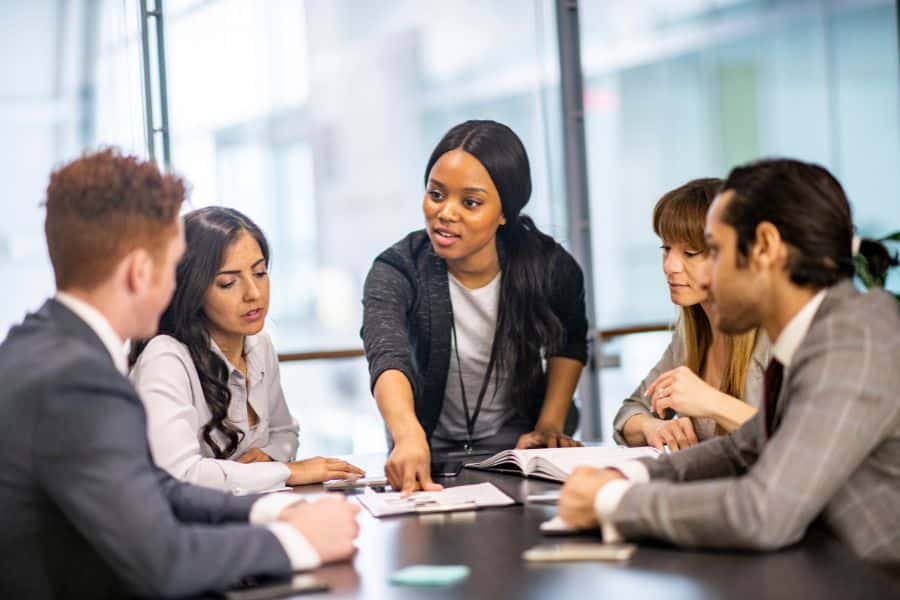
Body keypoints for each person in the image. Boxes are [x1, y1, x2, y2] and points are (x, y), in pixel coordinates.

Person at [0, 150, 360, 599]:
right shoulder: (77, 380)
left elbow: (156, 486)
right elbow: (164, 562)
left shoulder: (40, 344)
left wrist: (266, 513)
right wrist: (296, 542)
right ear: (139, 272)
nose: (178, 288)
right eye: (174, 266)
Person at [559, 158, 900, 564]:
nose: (703, 278)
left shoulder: (853, 341)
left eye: (714, 252)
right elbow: (742, 448)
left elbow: (764, 512)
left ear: (766, 248)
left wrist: (613, 502)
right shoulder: (815, 335)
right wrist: (629, 475)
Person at [362, 120, 589, 493]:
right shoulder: (399, 268)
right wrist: (406, 434)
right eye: (436, 194)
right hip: (426, 448)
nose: (446, 213)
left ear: (504, 212)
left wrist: (549, 425)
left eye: (470, 202)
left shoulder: (551, 266)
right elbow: (388, 354)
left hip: (518, 449)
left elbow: (571, 343)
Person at [130, 207, 364, 494]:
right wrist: (285, 472)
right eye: (228, 282)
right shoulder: (165, 357)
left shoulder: (259, 343)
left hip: (245, 513)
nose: (254, 292)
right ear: (193, 290)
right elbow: (178, 473)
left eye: (260, 272)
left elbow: (284, 433)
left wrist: (269, 459)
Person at [613, 178, 770, 451]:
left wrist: (710, 402)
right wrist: (654, 427)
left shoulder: (775, 336)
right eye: (666, 249)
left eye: (690, 252)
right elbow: (630, 413)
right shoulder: (689, 337)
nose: (670, 266)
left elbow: (801, 442)